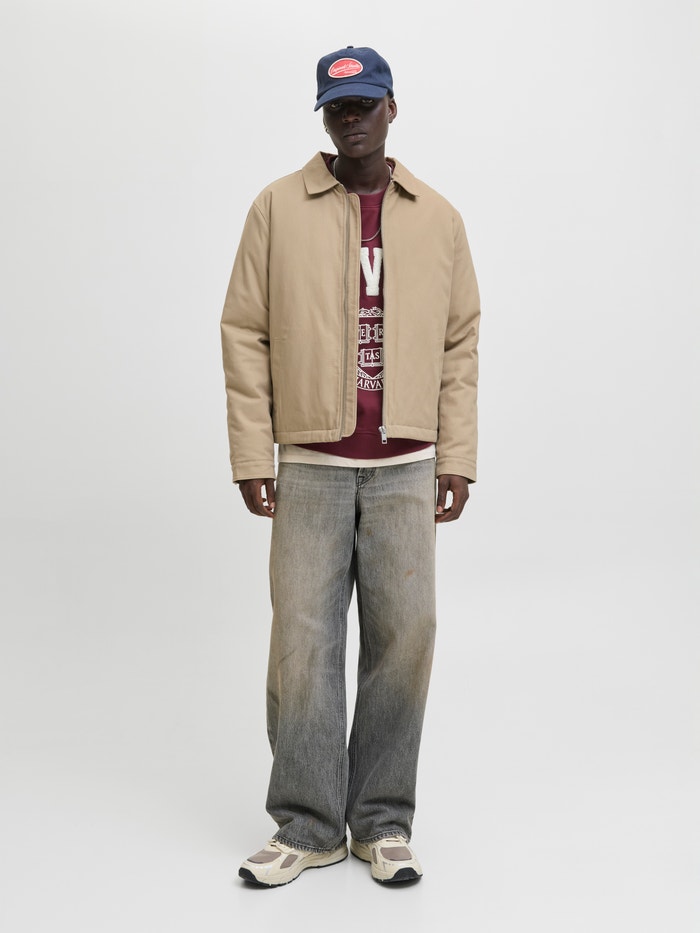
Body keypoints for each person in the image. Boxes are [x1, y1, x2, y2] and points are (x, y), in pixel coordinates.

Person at [220, 45, 480, 887]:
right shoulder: (277, 207)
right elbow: (244, 329)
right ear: (324, 118)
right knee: (302, 645)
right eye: (337, 108)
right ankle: (305, 824)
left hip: (407, 466)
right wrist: (252, 450)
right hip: (309, 463)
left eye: (365, 104)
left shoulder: (437, 218)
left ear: (391, 109)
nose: (351, 120)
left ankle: (381, 821)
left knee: (406, 638)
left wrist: (457, 453)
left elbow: (460, 341)